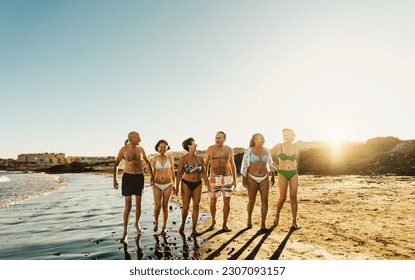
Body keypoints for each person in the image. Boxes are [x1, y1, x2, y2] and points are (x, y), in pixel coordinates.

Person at [113, 131, 153, 243]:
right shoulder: (123, 150)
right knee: (128, 207)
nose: (140, 139)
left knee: (139, 206)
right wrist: (115, 179)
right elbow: (116, 164)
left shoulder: (141, 149)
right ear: (131, 138)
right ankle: (125, 232)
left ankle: (137, 223)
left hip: (139, 178)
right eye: (137, 137)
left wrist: (152, 176)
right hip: (128, 178)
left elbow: (147, 162)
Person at [175, 137, 209, 235]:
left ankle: (194, 229)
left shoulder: (200, 159)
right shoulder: (183, 159)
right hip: (186, 183)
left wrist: (208, 185)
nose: (196, 145)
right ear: (189, 146)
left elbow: (203, 173)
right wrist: (177, 187)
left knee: (196, 206)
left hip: (198, 184)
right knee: (185, 207)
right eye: (194, 143)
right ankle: (183, 223)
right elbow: (179, 174)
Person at [241, 133, 275, 230]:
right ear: (255, 140)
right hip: (252, 178)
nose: (263, 140)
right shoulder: (249, 151)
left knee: (265, 201)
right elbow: (244, 165)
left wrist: (272, 175)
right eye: (261, 138)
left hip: (264, 177)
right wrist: (244, 178)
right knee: (252, 201)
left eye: (264, 138)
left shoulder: (266, 150)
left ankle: (263, 224)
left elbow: (270, 162)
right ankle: (249, 219)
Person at [204, 131, 237, 232]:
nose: (217, 139)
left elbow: (232, 165)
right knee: (213, 200)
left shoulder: (229, 149)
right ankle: (213, 222)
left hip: (226, 177)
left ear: (224, 139)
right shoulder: (210, 149)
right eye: (216, 137)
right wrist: (206, 180)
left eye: (219, 138)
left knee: (227, 201)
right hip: (214, 178)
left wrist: (234, 179)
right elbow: (205, 165)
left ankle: (224, 224)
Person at [273, 128, 301, 229]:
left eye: (287, 135)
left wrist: (295, 167)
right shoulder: (278, 146)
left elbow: (297, 160)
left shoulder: (296, 147)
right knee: (282, 197)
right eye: (284, 135)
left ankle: (294, 221)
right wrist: (275, 166)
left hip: (293, 173)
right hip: (282, 173)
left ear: (292, 136)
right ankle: (277, 215)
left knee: (293, 197)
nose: (285, 137)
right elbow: (267, 155)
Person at [150, 139, 175, 235]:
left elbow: (172, 172)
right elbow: (153, 173)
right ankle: (156, 223)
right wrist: (151, 181)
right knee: (157, 206)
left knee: (165, 206)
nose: (163, 148)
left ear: (167, 148)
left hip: (168, 184)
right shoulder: (154, 159)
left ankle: (164, 227)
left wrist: (175, 184)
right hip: (157, 184)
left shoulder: (170, 158)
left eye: (164, 147)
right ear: (157, 148)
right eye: (161, 147)